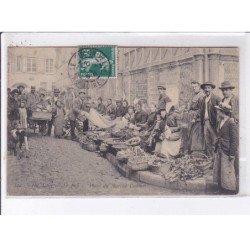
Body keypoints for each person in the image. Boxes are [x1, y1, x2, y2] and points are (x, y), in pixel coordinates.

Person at [213, 104, 238, 194]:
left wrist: (232, 153)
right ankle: (221, 188)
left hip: (227, 150)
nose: (218, 112)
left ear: (223, 112)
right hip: (220, 148)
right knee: (220, 169)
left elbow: (235, 140)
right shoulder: (221, 121)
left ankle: (229, 190)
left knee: (227, 170)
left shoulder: (231, 122)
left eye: (219, 111)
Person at [200, 82, 221, 157]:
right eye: (205, 88)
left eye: (208, 88)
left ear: (212, 89)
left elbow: (220, 111)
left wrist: (218, 122)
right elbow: (201, 111)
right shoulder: (203, 99)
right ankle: (210, 158)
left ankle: (217, 159)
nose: (207, 89)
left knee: (215, 140)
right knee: (207, 141)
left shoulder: (216, 98)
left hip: (213, 123)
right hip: (205, 122)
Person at [187, 81, 205, 154]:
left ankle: (197, 152)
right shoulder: (195, 95)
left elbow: (201, 109)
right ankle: (191, 151)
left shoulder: (201, 96)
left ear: (199, 87)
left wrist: (195, 117)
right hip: (192, 116)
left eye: (195, 87)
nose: (194, 88)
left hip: (197, 118)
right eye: (193, 87)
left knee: (197, 134)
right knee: (191, 133)